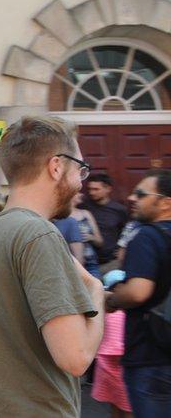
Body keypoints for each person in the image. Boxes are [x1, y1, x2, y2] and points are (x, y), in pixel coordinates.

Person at [0, 116, 104, 417]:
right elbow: (76, 357)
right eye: (80, 168)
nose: (82, 181)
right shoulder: (37, 235)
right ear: (56, 167)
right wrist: (98, 291)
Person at [105, 169, 171, 417]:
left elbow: (137, 293)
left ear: (166, 202)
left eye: (141, 194)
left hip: (151, 356)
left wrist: (111, 299)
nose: (132, 197)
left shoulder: (146, 237)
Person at [82, 173, 129, 271]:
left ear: (108, 189)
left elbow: (127, 232)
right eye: (90, 189)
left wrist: (123, 249)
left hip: (111, 262)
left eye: (96, 189)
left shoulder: (119, 210)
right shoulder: (83, 207)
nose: (91, 193)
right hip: (87, 262)